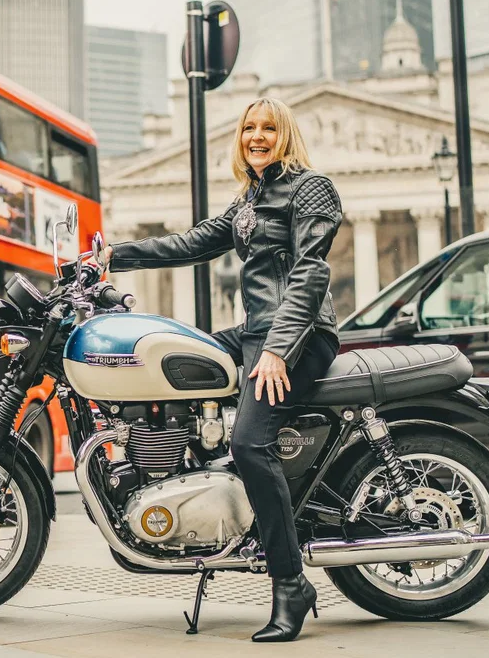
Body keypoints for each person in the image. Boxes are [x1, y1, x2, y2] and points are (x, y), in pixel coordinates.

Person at [99, 96, 341, 643]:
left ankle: (291, 583)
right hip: (257, 332)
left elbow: (310, 273)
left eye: (269, 128)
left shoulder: (310, 188)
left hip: (299, 336)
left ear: (285, 135)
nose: (257, 136)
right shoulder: (249, 200)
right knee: (177, 356)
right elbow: (191, 243)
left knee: (251, 444)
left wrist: (278, 349)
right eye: (249, 127)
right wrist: (114, 256)